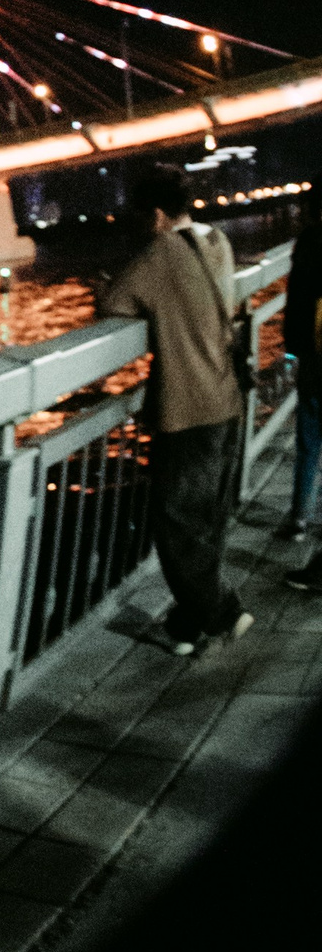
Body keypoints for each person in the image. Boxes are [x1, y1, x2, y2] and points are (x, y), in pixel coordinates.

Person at [104, 162, 253, 658]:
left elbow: (115, 301)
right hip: (227, 397)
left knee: (176, 523)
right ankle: (186, 626)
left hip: (186, 408)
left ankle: (223, 611)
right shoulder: (218, 241)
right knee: (206, 518)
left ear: (156, 214)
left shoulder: (158, 253)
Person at [278, 201, 321, 586]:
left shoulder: (311, 242)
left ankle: (298, 519)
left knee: (309, 440)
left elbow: (298, 302)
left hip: (316, 359)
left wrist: (292, 349)